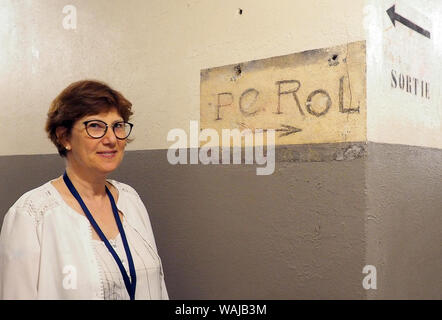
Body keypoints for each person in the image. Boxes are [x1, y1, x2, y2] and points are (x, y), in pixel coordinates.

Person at [0, 80, 168, 300]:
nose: (111, 139)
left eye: (117, 126)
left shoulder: (130, 200)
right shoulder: (31, 214)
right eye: (95, 126)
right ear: (64, 137)